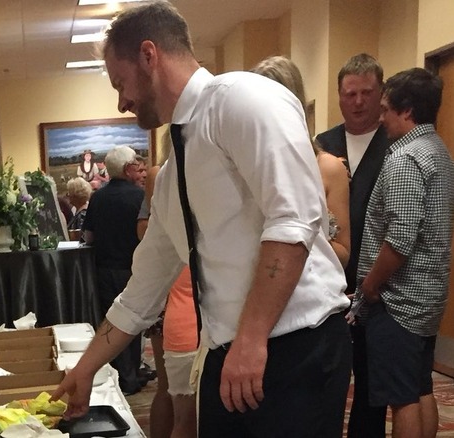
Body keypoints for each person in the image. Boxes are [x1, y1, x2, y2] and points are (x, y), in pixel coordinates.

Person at [51, 3, 352, 437]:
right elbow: (141, 291)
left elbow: (294, 220)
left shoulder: (244, 99)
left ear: (149, 55)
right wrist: (85, 369)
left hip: (294, 347)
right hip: (226, 350)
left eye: (120, 83)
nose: (122, 102)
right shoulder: (174, 173)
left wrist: (250, 341)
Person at [351, 67, 454, 438]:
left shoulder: (406, 159)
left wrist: (370, 285)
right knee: (418, 386)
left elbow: (399, 239)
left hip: (399, 303)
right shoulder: (439, 152)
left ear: (406, 110)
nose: (380, 118)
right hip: (427, 298)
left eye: (384, 109)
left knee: (402, 398)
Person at [316, 53, 390, 438]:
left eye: (367, 92)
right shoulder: (321, 145)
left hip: (380, 283)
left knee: (372, 382)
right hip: (328, 281)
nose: (358, 101)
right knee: (327, 380)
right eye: (350, 93)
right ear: (339, 96)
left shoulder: (394, 144)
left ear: (381, 94)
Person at [251, 56, 351, 267]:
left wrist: (298, 233)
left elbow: (343, 254)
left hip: (310, 287)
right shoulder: (247, 165)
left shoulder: (328, 168)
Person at [137, 128, 199, 438]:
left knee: (172, 390)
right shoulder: (161, 176)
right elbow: (148, 233)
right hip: (176, 291)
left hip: (177, 292)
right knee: (177, 395)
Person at [81, 145, 146, 395]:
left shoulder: (98, 197)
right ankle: (133, 374)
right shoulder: (140, 197)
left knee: (113, 323)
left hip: (105, 269)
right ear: (129, 168)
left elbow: (89, 235)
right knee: (135, 321)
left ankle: (120, 376)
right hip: (134, 268)